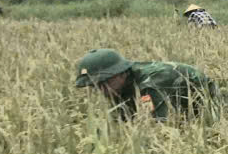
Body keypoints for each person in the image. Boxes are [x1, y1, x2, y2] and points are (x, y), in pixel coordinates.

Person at [74, 48, 219, 121]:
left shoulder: (150, 85)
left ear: (121, 73)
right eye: (95, 86)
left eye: (104, 83)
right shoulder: (117, 85)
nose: (101, 90)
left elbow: (160, 126)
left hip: (203, 94)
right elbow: (122, 118)